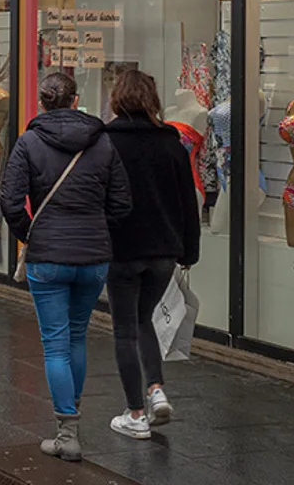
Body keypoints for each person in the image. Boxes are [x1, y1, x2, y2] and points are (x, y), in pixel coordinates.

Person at [0, 72, 131, 462]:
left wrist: (31, 233)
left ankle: (66, 432)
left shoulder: (29, 141)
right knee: (76, 337)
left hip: (49, 257)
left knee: (55, 344)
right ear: (75, 101)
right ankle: (71, 418)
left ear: (42, 103)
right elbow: (122, 203)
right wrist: (97, 231)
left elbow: (9, 201)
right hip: (93, 259)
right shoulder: (102, 141)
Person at [104, 71, 200, 439]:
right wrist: (189, 250)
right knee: (144, 320)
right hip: (164, 249)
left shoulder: (107, 143)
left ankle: (135, 411)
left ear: (117, 99)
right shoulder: (171, 145)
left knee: (125, 328)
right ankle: (156, 388)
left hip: (122, 248)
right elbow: (187, 203)